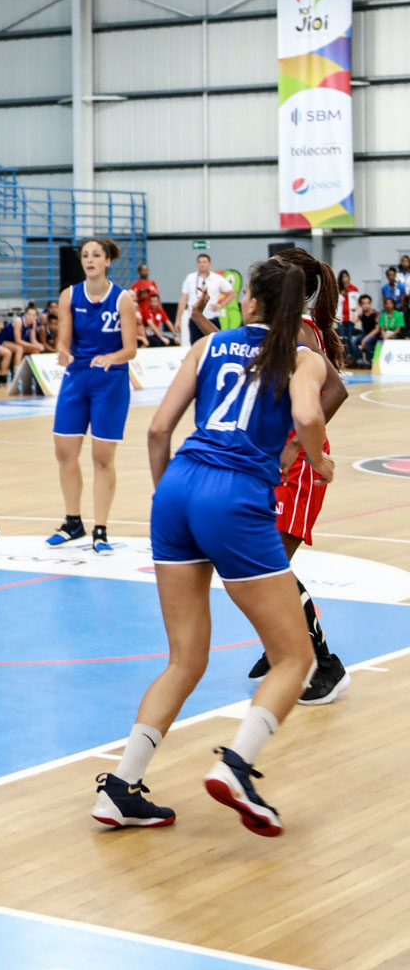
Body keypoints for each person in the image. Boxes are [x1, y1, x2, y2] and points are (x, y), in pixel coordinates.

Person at [92, 258, 332, 837]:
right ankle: (238, 767)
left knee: (184, 659)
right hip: (234, 497)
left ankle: (121, 788)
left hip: (178, 489)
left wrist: (167, 498)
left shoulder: (209, 345)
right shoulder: (303, 358)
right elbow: (306, 414)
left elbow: (157, 431)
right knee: (295, 659)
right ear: (296, 309)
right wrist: (319, 460)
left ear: (248, 302)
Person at [192, 248, 349, 705]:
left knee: (272, 568)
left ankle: (325, 664)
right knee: (262, 566)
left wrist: (299, 446)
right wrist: (202, 317)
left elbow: (337, 389)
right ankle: (282, 643)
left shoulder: (300, 329)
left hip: (298, 467)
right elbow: (232, 344)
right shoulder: (282, 329)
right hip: (276, 461)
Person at [46, 237, 138, 553]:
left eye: (96, 255)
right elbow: (63, 341)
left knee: (102, 459)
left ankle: (101, 528)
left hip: (110, 382)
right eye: (85, 255)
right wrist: (62, 353)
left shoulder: (123, 299)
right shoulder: (69, 295)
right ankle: (73, 522)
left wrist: (111, 358)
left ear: (107, 260)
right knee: (64, 453)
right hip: (77, 378)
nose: (89, 260)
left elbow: (131, 348)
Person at [178, 253, 234, 348]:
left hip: (212, 319)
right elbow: (183, 298)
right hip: (195, 320)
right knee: (196, 347)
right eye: (200, 262)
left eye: (204, 262)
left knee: (215, 346)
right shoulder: (190, 278)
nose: (202, 264)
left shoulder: (217, 278)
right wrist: (178, 319)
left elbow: (232, 293)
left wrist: (221, 304)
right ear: (197, 264)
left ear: (209, 264)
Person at [352, 294, 379, 367]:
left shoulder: (375, 313)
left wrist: (365, 338)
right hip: (365, 334)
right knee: (353, 340)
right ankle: (359, 359)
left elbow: (377, 329)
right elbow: (354, 320)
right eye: (363, 303)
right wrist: (357, 308)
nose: (366, 305)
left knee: (367, 341)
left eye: (368, 303)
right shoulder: (362, 314)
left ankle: (368, 361)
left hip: (374, 334)